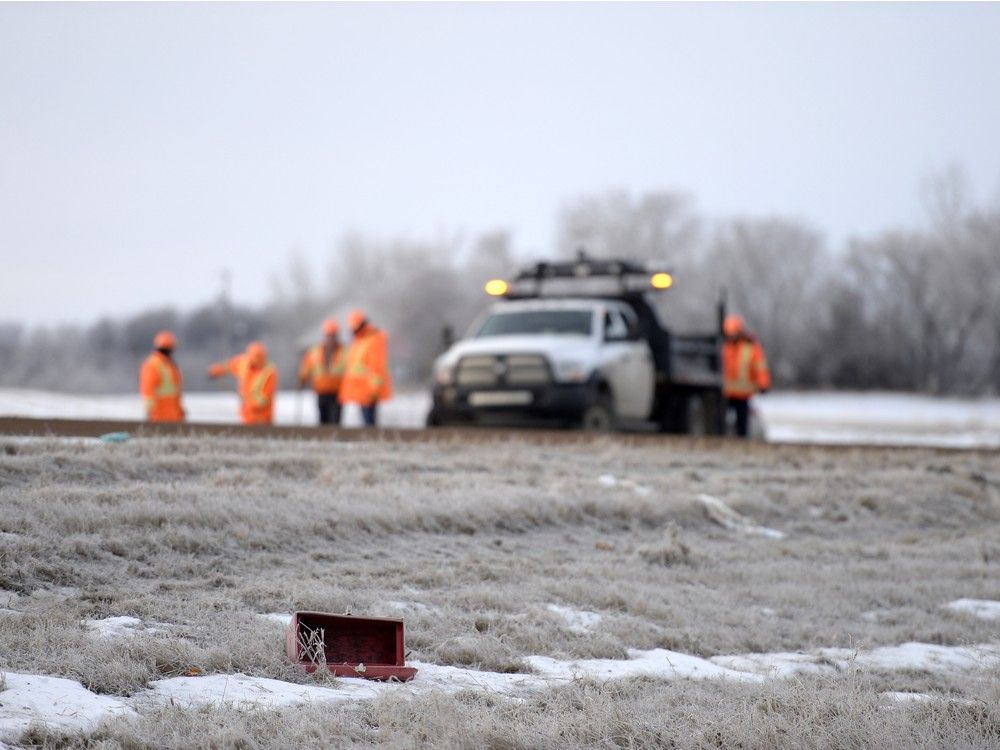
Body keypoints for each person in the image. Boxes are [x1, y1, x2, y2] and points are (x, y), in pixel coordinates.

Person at [339, 309, 392, 427]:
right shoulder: (360, 341)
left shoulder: (373, 340)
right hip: (361, 390)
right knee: (365, 422)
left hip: (369, 391)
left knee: (369, 423)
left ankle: (372, 442)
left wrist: (374, 390)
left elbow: (376, 367)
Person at [722, 314, 771, 437]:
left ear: (739, 332)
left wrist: (763, 384)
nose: (731, 337)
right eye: (729, 334)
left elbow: (760, 368)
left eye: (733, 334)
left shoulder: (750, 348)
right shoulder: (724, 347)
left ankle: (741, 442)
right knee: (721, 423)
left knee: (742, 423)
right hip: (725, 393)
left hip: (742, 394)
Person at [207, 341, 278, 425]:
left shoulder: (269, 372)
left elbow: (264, 399)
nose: (256, 361)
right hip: (246, 416)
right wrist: (215, 370)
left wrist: (247, 401)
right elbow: (229, 366)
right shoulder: (243, 363)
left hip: (262, 418)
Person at [298, 318, 347, 425]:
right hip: (321, 391)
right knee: (322, 422)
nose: (330, 338)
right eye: (329, 335)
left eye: (333, 335)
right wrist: (302, 379)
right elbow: (307, 367)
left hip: (337, 393)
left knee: (335, 422)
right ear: (325, 336)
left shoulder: (344, 352)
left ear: (336, 336)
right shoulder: (315, 351)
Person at [139, 330, 185, 422]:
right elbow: (148, 389)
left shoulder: (169, 365)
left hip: (173, 414)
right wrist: (149, 412)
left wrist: (180, 411)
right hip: (159, 415)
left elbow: (176, 390)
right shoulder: (153, 364)